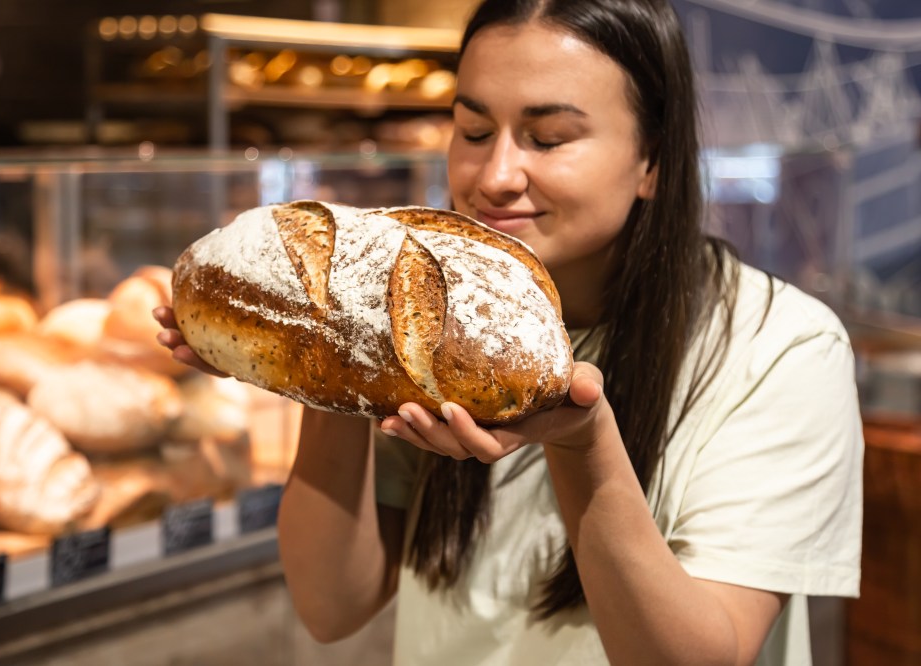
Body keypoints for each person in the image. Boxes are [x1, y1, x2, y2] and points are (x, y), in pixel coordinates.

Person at [155, 0, 863, 663]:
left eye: (548, 138)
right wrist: (325, 357)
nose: (495, 174)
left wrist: (583, 442)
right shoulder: (429, 344)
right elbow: (331, 606)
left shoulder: (782, 347)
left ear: (652, 159)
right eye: (472, 131)